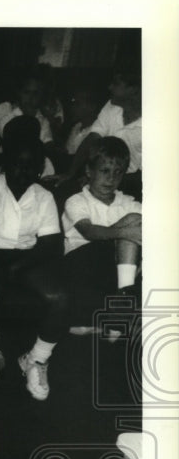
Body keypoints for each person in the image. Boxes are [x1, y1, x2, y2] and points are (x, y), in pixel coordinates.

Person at [0, 134, 66, 401]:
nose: (24, 172)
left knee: (60, 298)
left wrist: (16, 268)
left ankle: (36, 360)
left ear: (39, 169)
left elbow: (51, 244)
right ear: (5, 165)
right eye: (18, 165)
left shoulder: (43, 196)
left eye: (31, 166)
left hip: (25, 258)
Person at [62, 137, 142, 333]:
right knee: (133, 220)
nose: (111, 179)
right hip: (80, 263)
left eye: (118, 173)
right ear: (89, 171)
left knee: (142, 219)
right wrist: (128, 232)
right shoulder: (77, 200)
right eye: (104, 171)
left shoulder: (128, 201)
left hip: (112, 267)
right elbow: (89, 232)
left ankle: (124, 297)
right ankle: (125, 297)